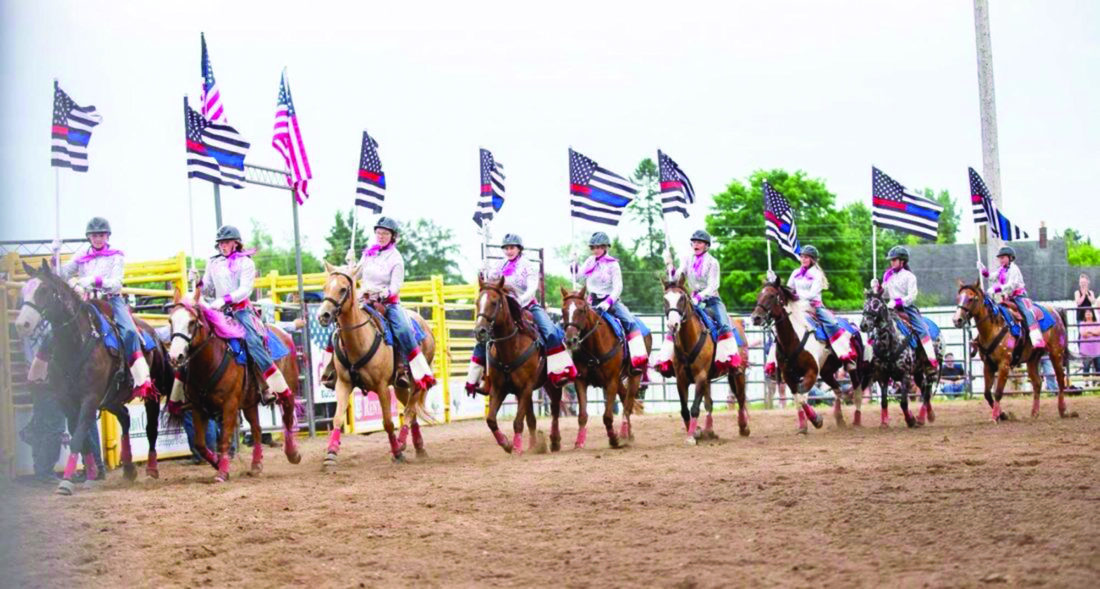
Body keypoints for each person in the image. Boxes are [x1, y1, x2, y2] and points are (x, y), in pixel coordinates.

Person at [465, 234, 576, 395]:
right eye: (506, 248)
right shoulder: (499, 265)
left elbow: (532, 288)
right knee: (483, 336)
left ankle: (559, 372)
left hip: (527, 304)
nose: (509, 251)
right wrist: (483, 273)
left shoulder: (527, 265)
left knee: (551, 331)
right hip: (503, 308)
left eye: (512, 248)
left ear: (519, 249)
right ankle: (479, 380)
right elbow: (490, 285)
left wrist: (520, 301)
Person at [59, 217, 155, 399]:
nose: (98, 239)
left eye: (101, 235)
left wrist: (95, 281)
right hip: (87, 301)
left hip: (111, 300)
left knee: (130, 332)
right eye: (94, 235)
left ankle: (139, 377)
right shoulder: (81, 254)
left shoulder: (116, 255)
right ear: (89, 237)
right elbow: (63, 274)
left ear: (107, 236)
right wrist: (55, 259)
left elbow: (117, 283)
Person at [196, 225, 293, 403]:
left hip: (240, 310)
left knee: (253, 341)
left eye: (226, 242)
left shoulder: (246, 262)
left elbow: (245, 290)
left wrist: (224, 299)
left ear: (235, 243)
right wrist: (198, 283)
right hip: (218, 312)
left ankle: (266, 384)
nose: (223, 246)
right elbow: (208, 290)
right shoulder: (213, 263)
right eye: (220, 243)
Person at [350, 217, 436, 391]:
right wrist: (350, 264)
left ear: (393, 236)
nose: (381, 236)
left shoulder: (396, 258)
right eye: (378, 232)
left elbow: (395, 287)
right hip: (364, 300)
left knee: (403, 329)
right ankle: (334, 368)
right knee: (341, 319)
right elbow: (354, 276)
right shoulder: (368, 254)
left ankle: (403, 368)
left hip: (387, 303)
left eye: (385, 233)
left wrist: (382, 293)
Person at [663, 230, 741, 371]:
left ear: (706, 246)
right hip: (692, 300)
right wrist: (670, 267)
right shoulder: (687, 259)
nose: (696, 245)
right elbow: (678, 277)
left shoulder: (713, 262)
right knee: (675, 322)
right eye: (694, 242)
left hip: (711, 300)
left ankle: (730, 361)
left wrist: (699, 297)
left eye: (699, 242)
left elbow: (713, 285)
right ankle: (666, 360)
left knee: (724, 324)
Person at [767, 245, 855, 362]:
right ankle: (773, 360)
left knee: (832, 323)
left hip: (813, 307)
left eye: (806, 257)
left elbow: (813, 294)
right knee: (779, 325)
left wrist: (796, 297)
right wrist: (774, 281)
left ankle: (843, 353)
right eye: (802, 257)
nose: (803, 259)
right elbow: (788, 289)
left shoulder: (817, 274)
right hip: (796, 307)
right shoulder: (795, 272)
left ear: (812, 259)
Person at [577, 232, 648, 370]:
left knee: (629, 321)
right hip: (591, 302)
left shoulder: (613, 264)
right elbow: (579, 276)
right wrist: (573, 265)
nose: (596, 250)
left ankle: (638, 360)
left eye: (599, 247)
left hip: (610, 302)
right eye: (593, 247)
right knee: (573, 324)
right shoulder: (590, 261)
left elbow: (618, 287)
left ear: (605, 247)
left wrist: (608, 302)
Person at [873, 246, 938, 368]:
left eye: (894, 260)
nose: (891, 262)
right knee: (876, 326)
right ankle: (870, 359)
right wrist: (879, 287)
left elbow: (912, 296)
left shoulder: (910, 276)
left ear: (902, 261)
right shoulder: (888, 275)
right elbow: (885, 294)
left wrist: (898, 302)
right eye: (891, 260)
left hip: (906, 308)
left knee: (922, 329)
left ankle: (930, 359)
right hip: (889, 308)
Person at [979, 246, 1043, 349]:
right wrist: (983, 270)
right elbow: (992, 277)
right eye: (999, 258)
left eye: (1003, 257)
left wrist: (995, 289)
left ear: (1010, 258)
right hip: (1007, 297)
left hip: (1018, 296)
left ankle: (1036, 338)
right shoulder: (1001, 269)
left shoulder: (1014, 269)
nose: (1000, 260)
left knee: (1026, 312)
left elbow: (1011, 286)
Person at [1079, 308, 1100, 385]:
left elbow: (1098, 332)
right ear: (1084, 315)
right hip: (1086, 349)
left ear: (1092, 314)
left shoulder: (1097, 322)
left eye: (1090, 313)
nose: (1088, 314)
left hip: (1097, 348)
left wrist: (1089, 331)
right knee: (1086, 366)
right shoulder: (1082, 323)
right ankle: (1086, 382)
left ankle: (1098, 381)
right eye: (1086, 313)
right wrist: (1093, 332)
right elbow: (1083, 334)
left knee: (1098, 366)